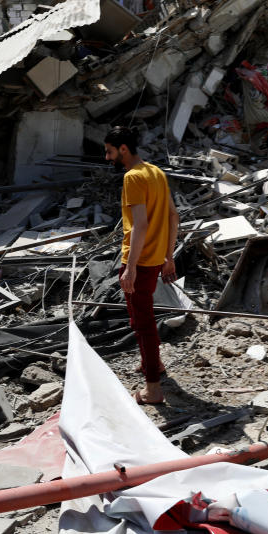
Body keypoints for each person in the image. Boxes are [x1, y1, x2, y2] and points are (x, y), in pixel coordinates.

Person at [103, 126, 179, 405]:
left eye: (110, 151)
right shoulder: (156, 172)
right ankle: (154, 365)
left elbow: (140, 225)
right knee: (140, 318)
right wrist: (169, 257)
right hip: (155, 258)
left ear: (123, 148)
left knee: (143, 322)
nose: (108, 158)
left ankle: (153, 389)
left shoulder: (133, 177)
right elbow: (174, 217)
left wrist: (131, 268)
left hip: (139, 260)